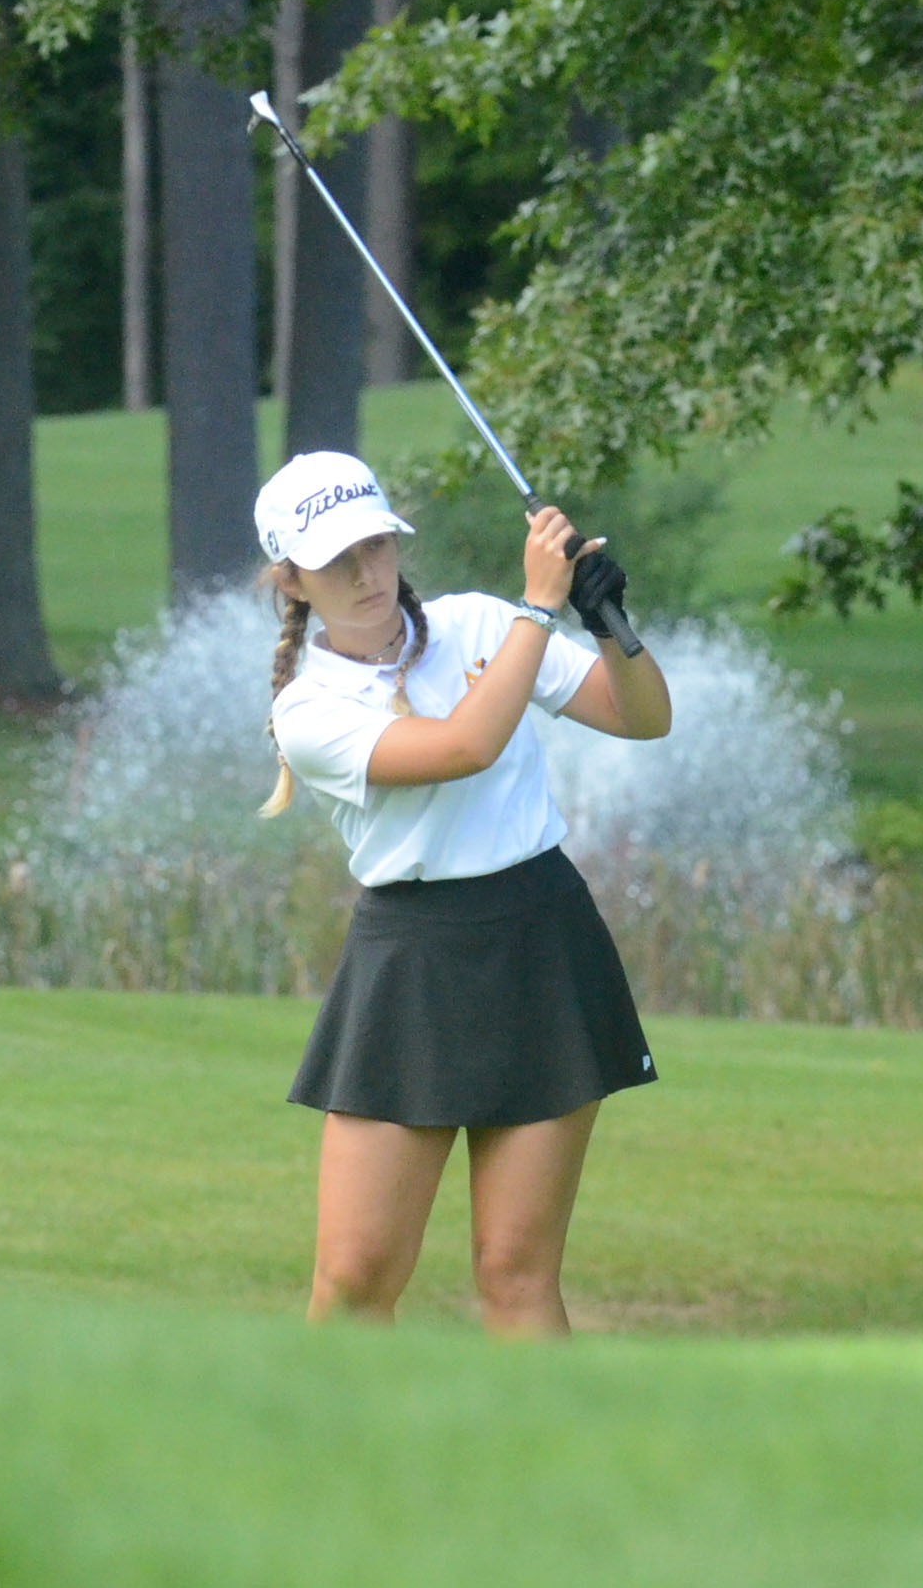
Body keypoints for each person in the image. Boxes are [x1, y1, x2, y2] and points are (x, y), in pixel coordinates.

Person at [255, 449, 673, 1337]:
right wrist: (538, 606)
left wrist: (608, 621)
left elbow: (641, 715)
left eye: (375, 546)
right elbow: (458, 749)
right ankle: (316, 1467)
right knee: (355, 1277)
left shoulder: (481, 624)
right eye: (336, 560)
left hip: (539, 938)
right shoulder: (306, 709)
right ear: (290, 579)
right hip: (411, 958)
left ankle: (542, 1478)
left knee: (517, 1275)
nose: (366, 573)